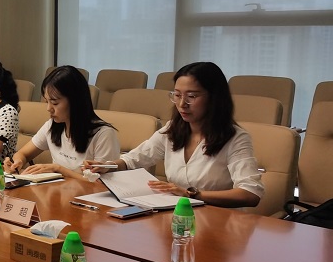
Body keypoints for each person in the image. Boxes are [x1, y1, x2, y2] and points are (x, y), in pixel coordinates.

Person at [85, 62, 263, 208]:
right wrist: (108, 166)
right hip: (175, 216)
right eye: (177, 95)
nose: (182, 104)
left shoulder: (236, 138)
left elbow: (250, 194)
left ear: (214, 98)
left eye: (191, 96)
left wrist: (191, 194)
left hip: (217, 219)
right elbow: (134, 159)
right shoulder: (173, 129)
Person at [4, 66, 120, 180]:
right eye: (47, 102)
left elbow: (101, 183)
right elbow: (23, 154)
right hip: (56, 190)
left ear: (75, 101)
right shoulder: (52, 125)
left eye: (55, 103)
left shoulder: (103, 134)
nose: (49, 108)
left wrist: (58, 169)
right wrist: (17, 162)